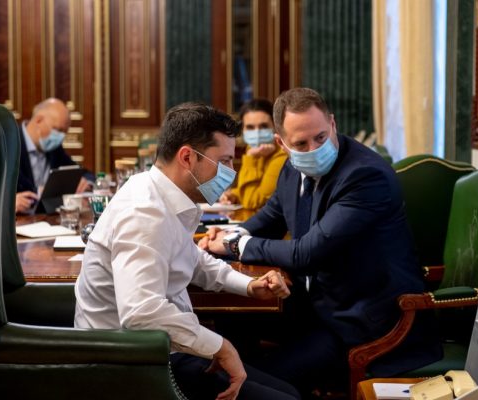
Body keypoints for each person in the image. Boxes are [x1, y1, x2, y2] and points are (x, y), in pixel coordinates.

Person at [199, 88, 442, 396]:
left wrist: (235, 246)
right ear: (282, 144)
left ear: (333, 124)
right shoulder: (293, 166)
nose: (313, 148)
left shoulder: (365, 176)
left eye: (321, 137)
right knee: (233, 320)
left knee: (255, 380)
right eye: (301, 144)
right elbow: (272, 216)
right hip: (316, 306)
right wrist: (233, 234)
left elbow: (306, 253)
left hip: (362, 322)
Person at [74, 102, 301, 400]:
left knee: (289, 391)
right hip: (130, 362)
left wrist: (248, 285)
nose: (231, 172)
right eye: (224, 161)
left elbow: (194, 260)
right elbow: (141, 312)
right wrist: (220, 346)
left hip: (161, 347)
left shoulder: (161, 192)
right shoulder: (145, 213)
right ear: (187, 157)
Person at [16, 98, 92, 214]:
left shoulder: (54, 148)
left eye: (64, 132)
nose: (60, 137)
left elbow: (82, 172)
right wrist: (8, 203)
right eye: (57, 129)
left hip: (47, 218)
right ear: (38, 120)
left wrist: (85, 181)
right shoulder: (7, 143)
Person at [219, 99, 287, 210]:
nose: (257, 132)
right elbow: (252, 188)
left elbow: (252, 202)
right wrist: (234, 195)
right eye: (250, 127)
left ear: (275, 126)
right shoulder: (253, 149)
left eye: (264, 126)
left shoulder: (283, 156)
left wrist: (250, 158)